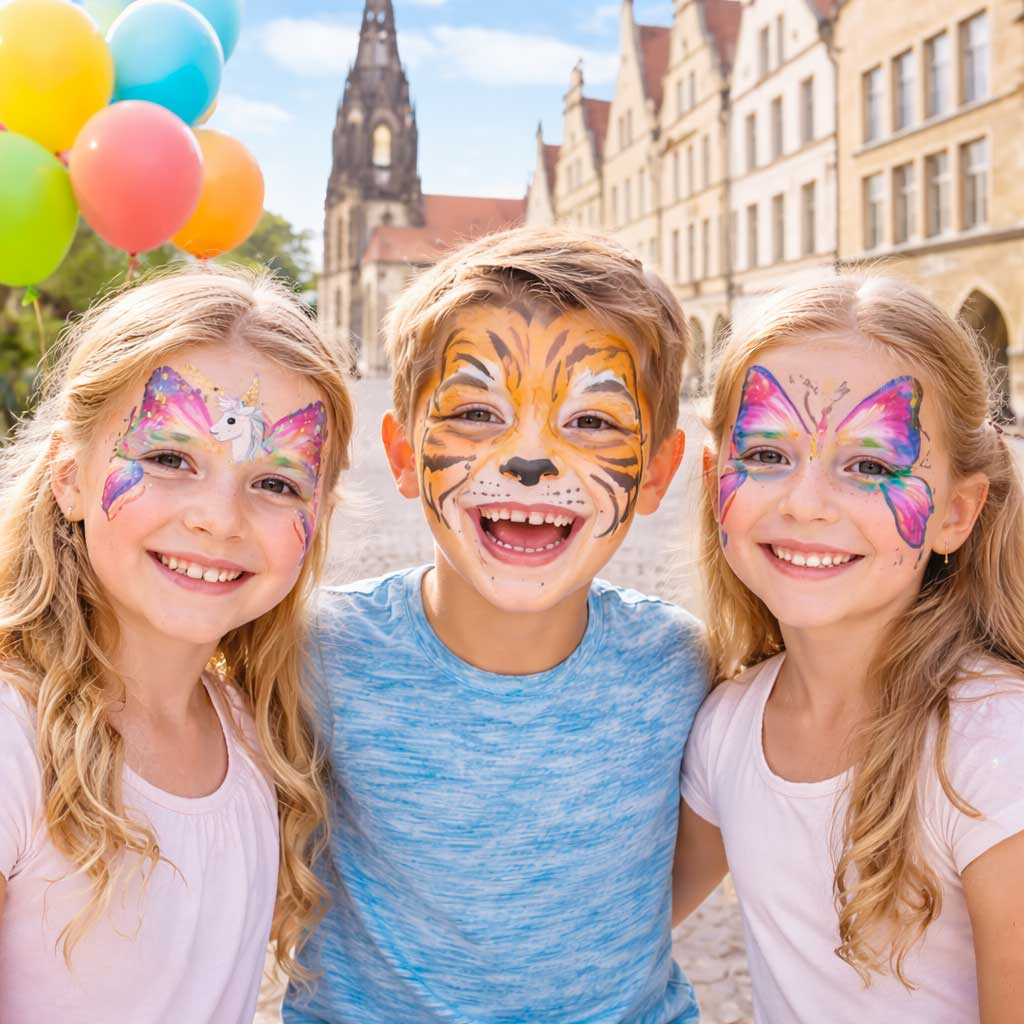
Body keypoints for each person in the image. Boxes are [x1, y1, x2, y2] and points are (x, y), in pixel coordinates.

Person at [284, 227, 707, 1023]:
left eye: (592, 423)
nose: (529, 461)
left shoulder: (683, 669)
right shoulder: (318, 655)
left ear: (656, 471)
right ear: (405, 455)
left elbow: (678, 871)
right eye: (477, 412)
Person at [0, 267, 354, 1023]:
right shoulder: (13, 739)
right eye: (169, 461)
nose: (219, 519)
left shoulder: (258, 733)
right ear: (68, 475)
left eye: (277, 484)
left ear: (318, 516)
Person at [672, 275, 1024, 1022]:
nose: (804, 501)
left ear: (957, 513)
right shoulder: (727, 726)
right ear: (714, 484)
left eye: (869, 466)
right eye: (767, 455)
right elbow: (606, 926)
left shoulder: (995, 746)